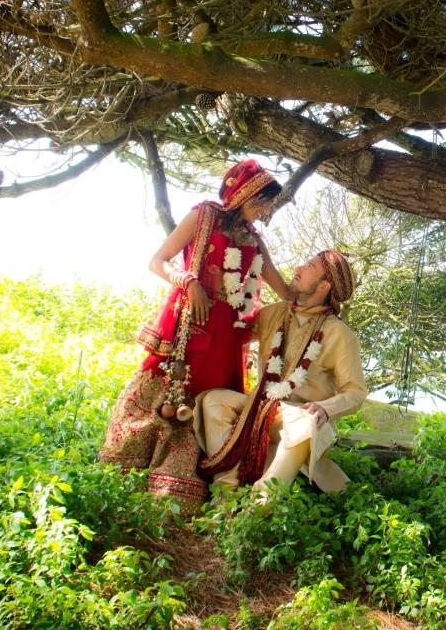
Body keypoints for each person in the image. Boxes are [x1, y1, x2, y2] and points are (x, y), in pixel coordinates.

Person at [99, 159, 292, 502]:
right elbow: (157, 262)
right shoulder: (203, 216)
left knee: (208, 401)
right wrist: (188, 281)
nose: (265, 211)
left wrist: (319, 299)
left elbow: (278, 284)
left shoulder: (254, 239)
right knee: (172, 391)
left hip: (228, 334)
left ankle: (193, 484)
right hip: (193, 322)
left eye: (268, 205)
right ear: (243, 193)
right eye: (261, 201)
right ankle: (134, 467)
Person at [195, 249, 367, 494]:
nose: (299, 268)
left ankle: (261, 503)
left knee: (306, 424)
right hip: (260, 406)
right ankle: (226, 492)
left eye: (309, 267)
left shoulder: (340, 334)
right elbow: (234, 330)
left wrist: (325, 409)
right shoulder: (275, 313)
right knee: (214, 400)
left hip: (297, 414)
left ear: (324, 286)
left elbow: (356, 392)